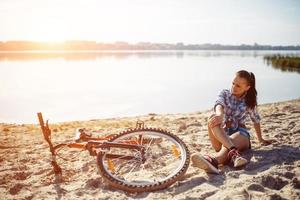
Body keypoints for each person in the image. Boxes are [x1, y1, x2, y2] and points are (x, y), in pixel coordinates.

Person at [192, 70, 275, 174]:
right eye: (233, 83)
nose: (234, 87)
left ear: (247, 88)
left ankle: (213, 161)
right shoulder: (225, 93)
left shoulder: (250, 101)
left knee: (233, 139)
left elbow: (256, 120)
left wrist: (260, 139)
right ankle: (234, 153)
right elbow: (219, 105)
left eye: (238, 86)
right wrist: (220, 115)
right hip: (220, 136)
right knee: (212, 117)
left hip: (240, 136)